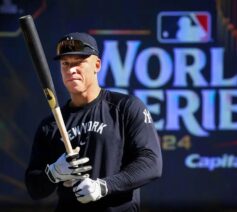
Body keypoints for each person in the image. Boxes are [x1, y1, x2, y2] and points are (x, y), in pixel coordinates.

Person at [25, 32, 163, 211]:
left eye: (79, 62)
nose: (71, 69)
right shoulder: (50, 125)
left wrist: (104, 186)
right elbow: (34, 188)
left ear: (97, 65)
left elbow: (151, 163)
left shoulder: (125, 108)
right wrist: (53, 174)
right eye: (65, 64)